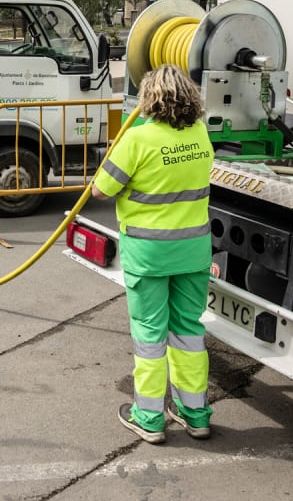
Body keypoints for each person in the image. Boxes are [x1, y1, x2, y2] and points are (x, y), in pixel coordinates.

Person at [91, 64, 214, 444]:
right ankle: (195, 414)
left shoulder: (137, 139)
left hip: (149, 255)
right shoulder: (200, 133)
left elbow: (100, 190)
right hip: (192, 251)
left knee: (149, 335)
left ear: (149, 98)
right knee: (189, 331)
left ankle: (148, 417)